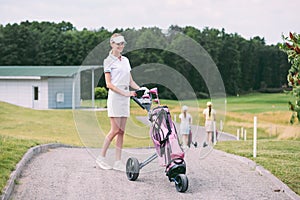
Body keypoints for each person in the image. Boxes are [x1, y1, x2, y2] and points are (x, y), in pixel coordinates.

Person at [96, 33, 140, 171]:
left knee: (121, 131)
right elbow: (109, 84)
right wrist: (125, 93)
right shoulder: (108, 61)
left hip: (125, 97)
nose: (120, 46)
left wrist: (142, 89)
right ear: (112, 44)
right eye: (118, 43)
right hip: (116, 97)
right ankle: (101, 157)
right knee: (114, 130)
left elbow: (130, 81)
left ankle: (117, 161)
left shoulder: (126, 60)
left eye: (122, 43)